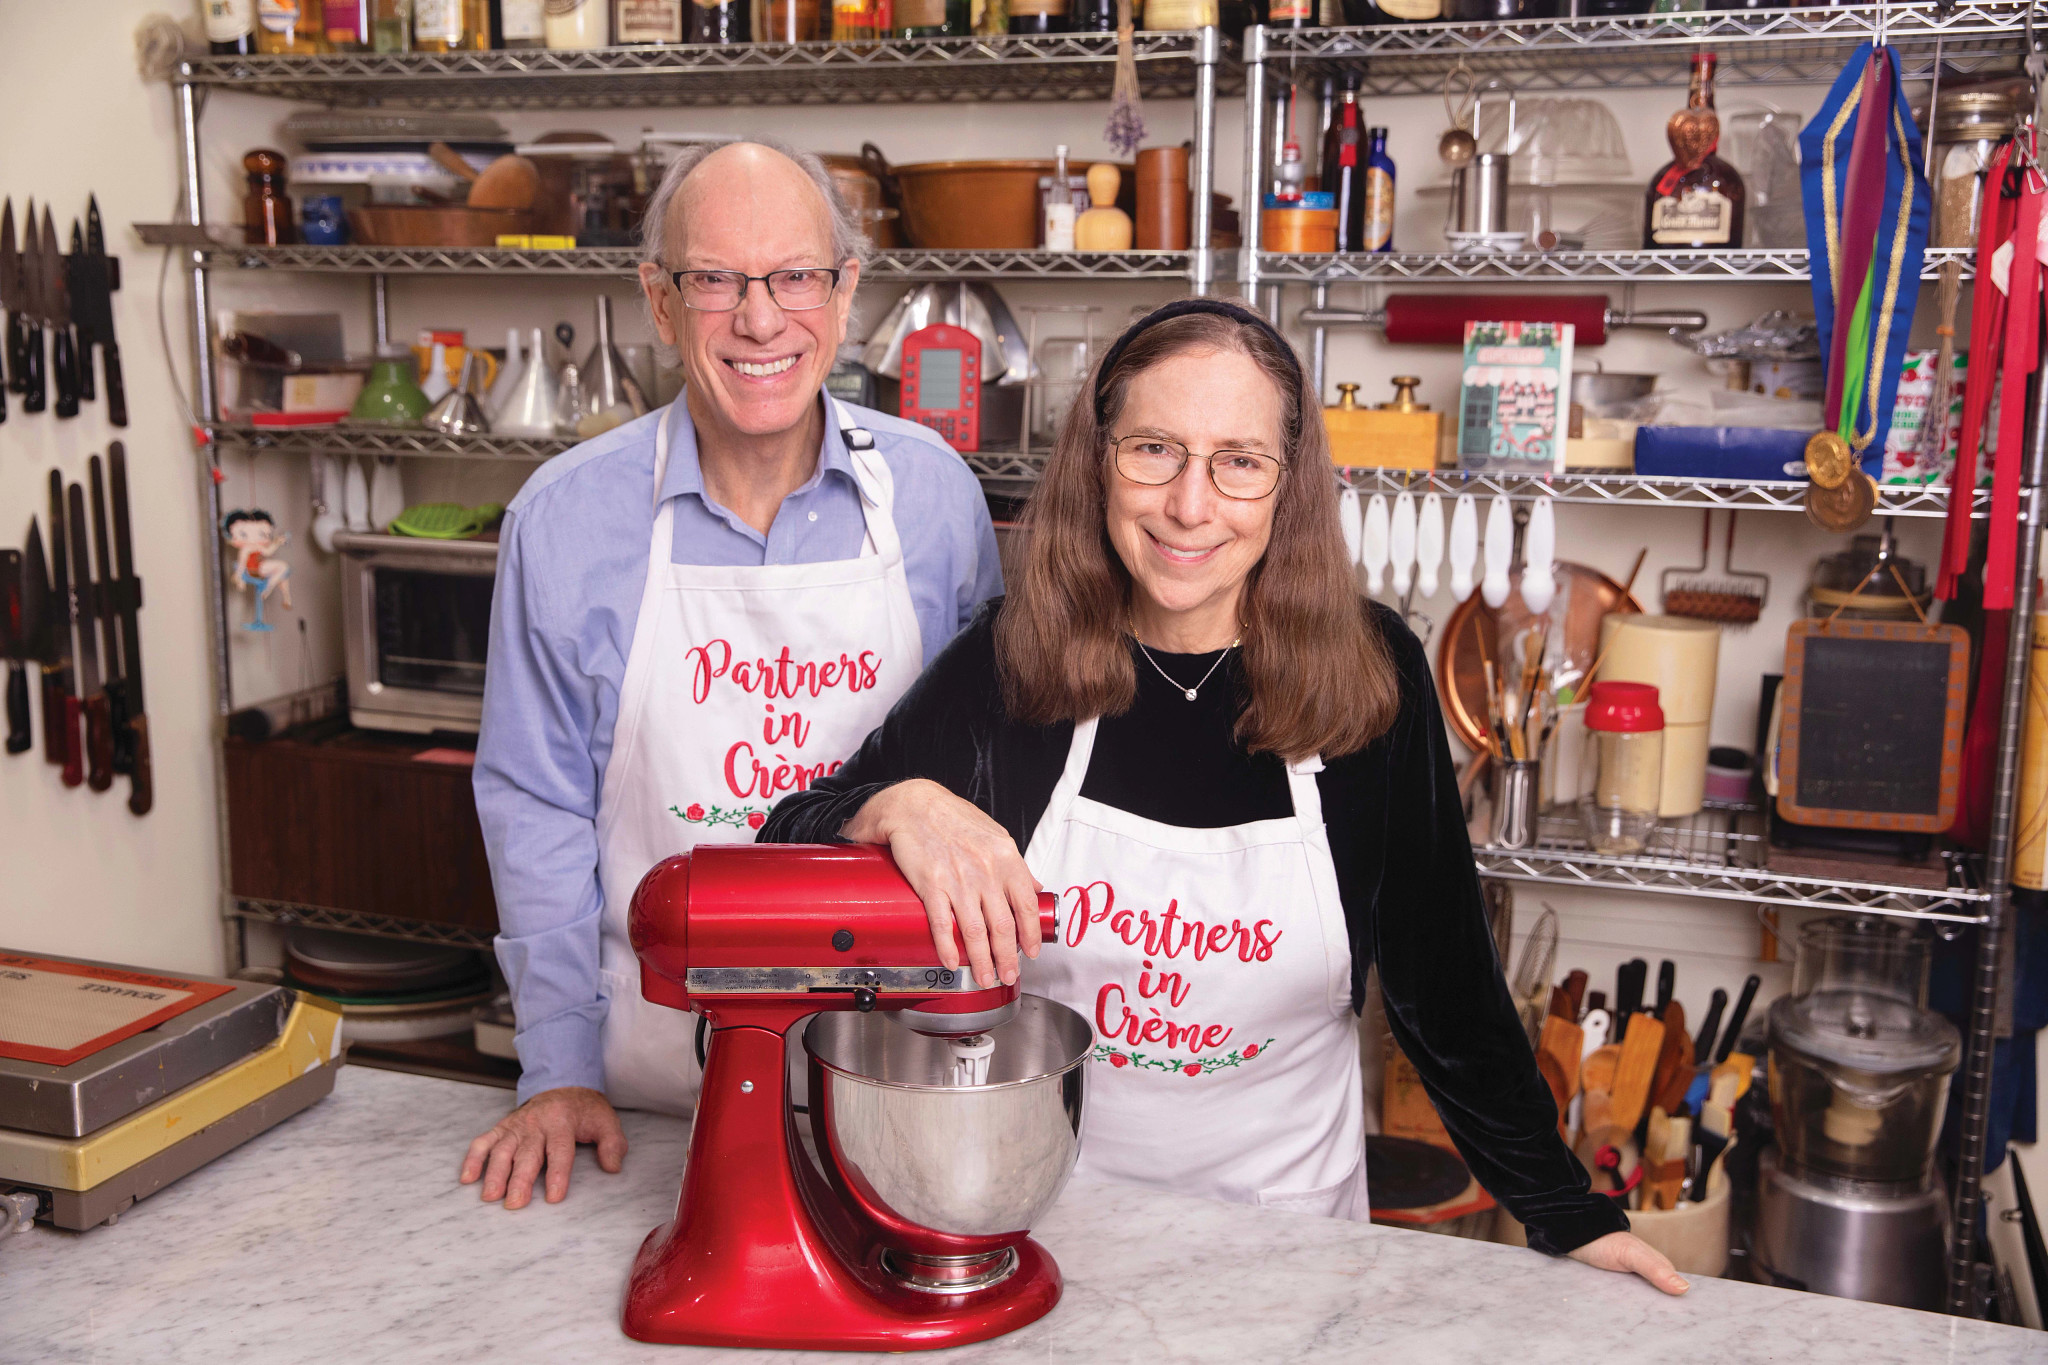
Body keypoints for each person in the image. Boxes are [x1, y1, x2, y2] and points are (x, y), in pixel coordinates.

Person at [760, 299, 1685, 1293]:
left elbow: (1443, 980)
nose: (1189, 505)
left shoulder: (1372, 674)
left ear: (1286, 487)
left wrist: (1560, 1207)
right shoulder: (1011, 659)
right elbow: (778, 858)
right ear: (1097, 457)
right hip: (1044, 1235)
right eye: (1153, 449)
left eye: (1237, 461)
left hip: (1287, 1254)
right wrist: (888, 806)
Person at [463, 139, 1002, 1211]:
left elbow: (984, 782)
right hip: (659, 1098)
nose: (760, 320)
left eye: (795, 276)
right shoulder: (563, 523)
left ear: (845, 293)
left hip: (900, 1080)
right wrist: (559, 1070)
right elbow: (536, 810)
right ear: (659, 303)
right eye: (714, 280)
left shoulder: (936, 499)